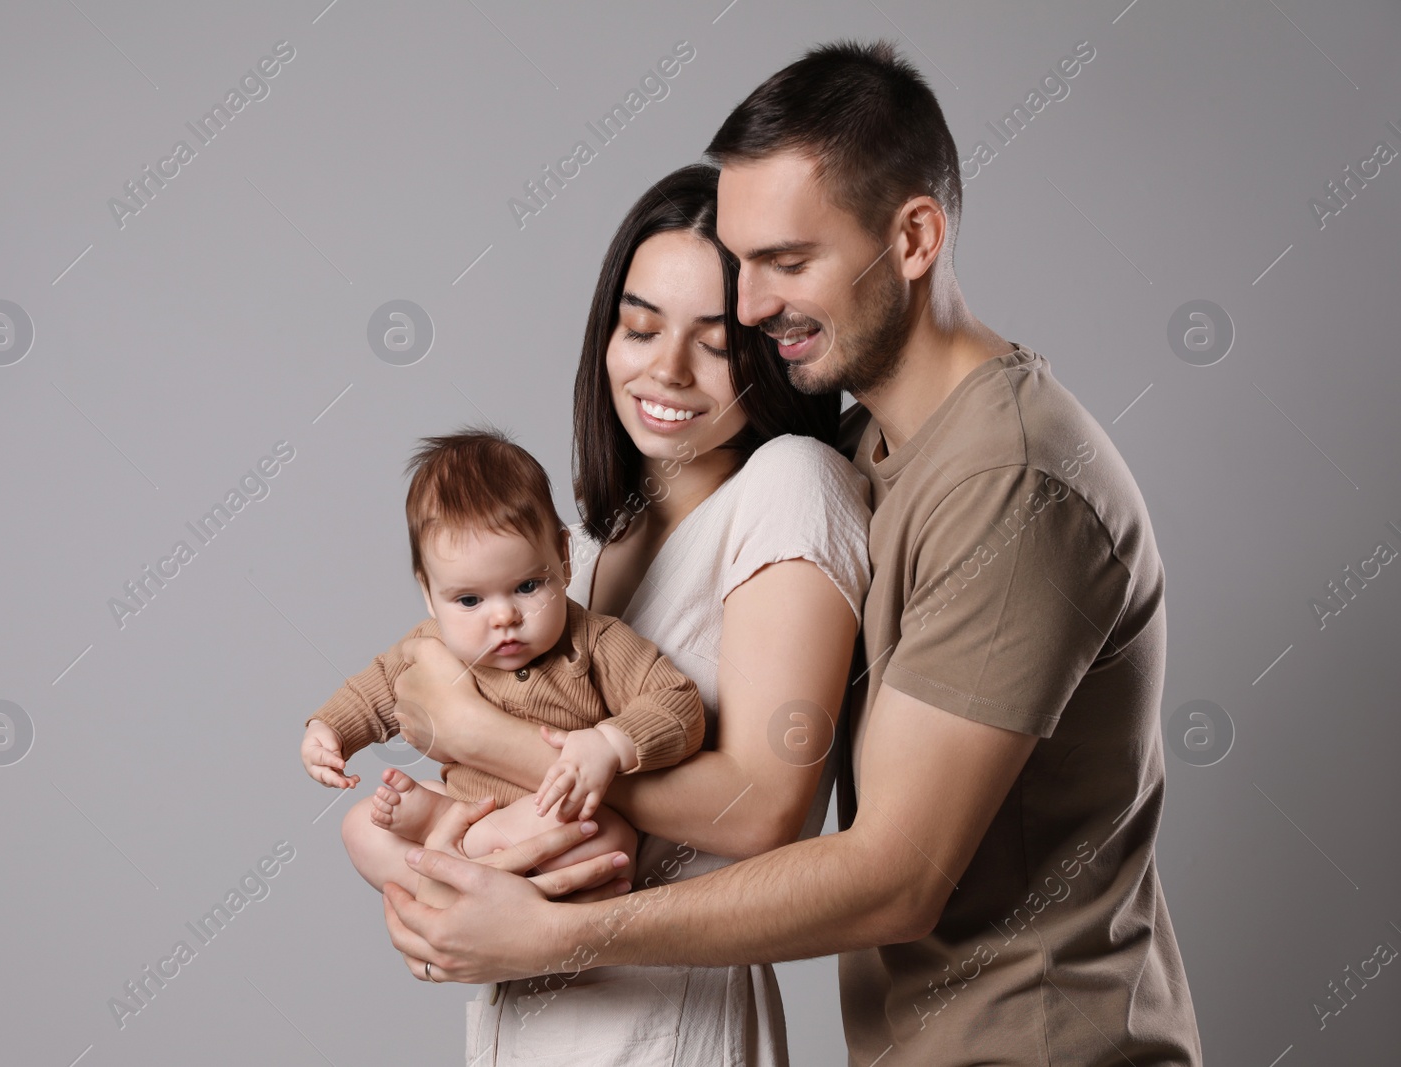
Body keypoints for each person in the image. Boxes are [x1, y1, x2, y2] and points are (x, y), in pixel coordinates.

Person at [381, 39, 1204, 1067]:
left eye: (785, 261)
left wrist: (559, 925)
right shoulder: (875, 452)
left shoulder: (1012, 484)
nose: (755, 303)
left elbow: (894, 872)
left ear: (912, 237)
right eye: (746, 261)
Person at [381, 162, 873, 1065]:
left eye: (717, 345)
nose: (666, 369)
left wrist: (474, 729)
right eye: (639, 326)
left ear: (772, 351)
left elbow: (767, 806)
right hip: (522, 1022)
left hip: (668, 1027)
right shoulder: (589, 545)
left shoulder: (792, 488)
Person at [300, 429, 708, 897]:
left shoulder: (596, 642)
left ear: (563, 559)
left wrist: (610, 744)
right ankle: (456, 881)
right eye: (470, 599)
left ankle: (462, 863)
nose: (505, 617)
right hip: (462, 801)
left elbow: (679, 704)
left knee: (609, 842)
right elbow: (373, 690)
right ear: (429, 595)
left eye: (528, 587)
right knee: (359, 826)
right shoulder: (432, 646)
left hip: (545, 819)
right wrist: (328, 730)